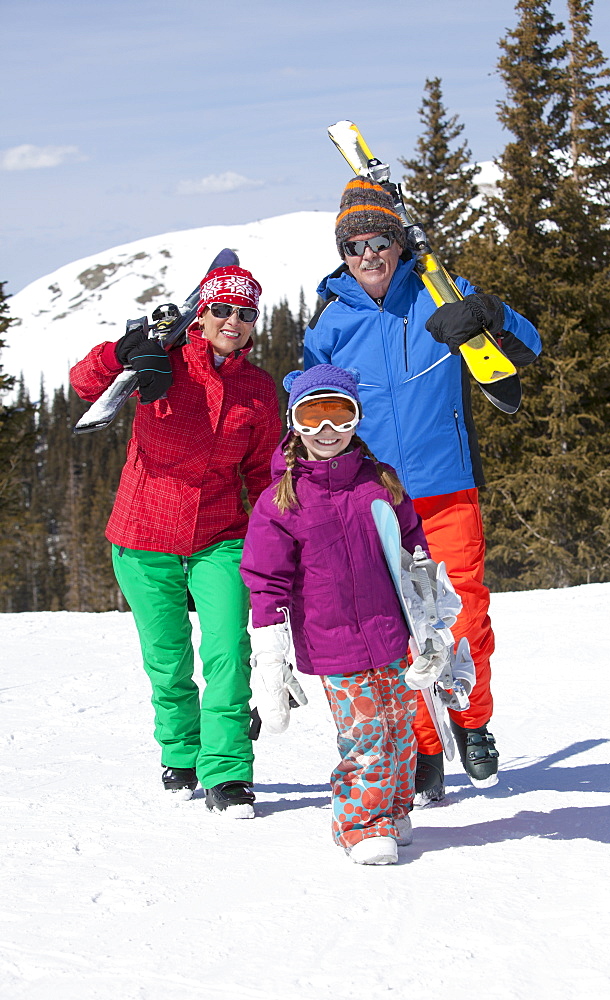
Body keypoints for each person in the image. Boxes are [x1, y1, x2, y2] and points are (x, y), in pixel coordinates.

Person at [303, 177, 542, 799]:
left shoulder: (442, 293)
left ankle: (472, 721)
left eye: (379, 240)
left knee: (464, 614)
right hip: (375, 498)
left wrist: (486, 313)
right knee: (400, 627)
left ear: (398, 242)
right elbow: (314, 412)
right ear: (343, 255)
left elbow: (529, 346)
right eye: (354, 246)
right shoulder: (330, 323)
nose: (368, 255)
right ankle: (424, 745)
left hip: (445, 485)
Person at [70, 263, 281, 817]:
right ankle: (181, 751)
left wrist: (274, 539)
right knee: (167, 661)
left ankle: (228, 771)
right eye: (222, 310)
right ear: (202, 314)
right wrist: (123, 350)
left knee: (228, 656)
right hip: (144, 535)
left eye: (245, 313)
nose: (232, 321)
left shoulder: (257, 390)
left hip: (220, 536)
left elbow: (262, 474)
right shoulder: (160, 361)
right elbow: (83, 383)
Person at [239, 365, 448, 864]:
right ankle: (358, 823)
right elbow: (265, 580)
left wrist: (430, 624)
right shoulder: (280, 500)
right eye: (313, 418)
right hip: (334, 644)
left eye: (339, 414)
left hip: (392, 635)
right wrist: (271, 656)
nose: (327, 431)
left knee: (399, 731)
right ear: (295, 424)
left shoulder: (380, 483)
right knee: (365, 737)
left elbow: (412, 547)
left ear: (356, 420)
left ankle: (393, 812)